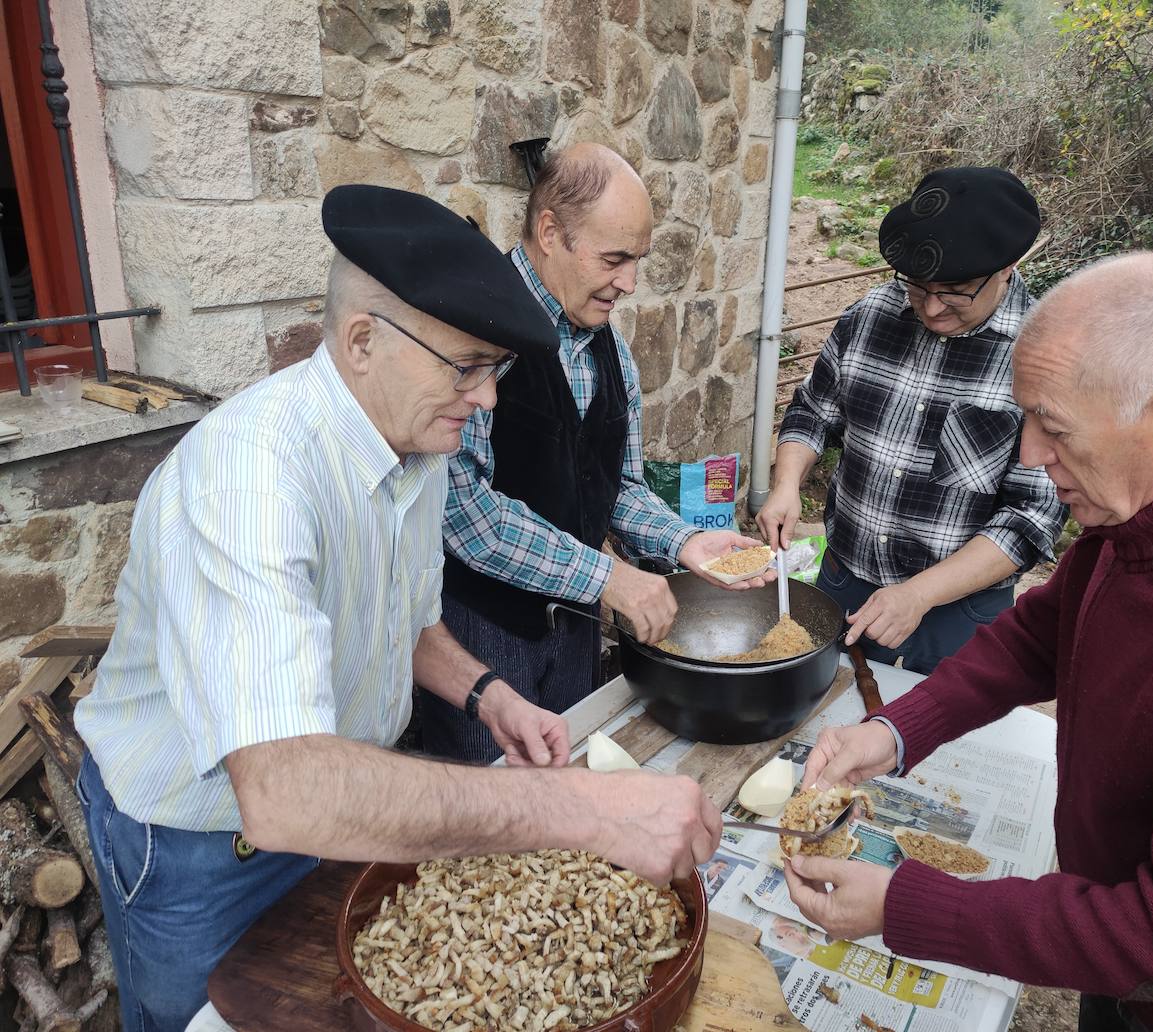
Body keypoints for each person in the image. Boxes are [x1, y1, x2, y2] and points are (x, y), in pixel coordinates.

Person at [72, 185, 723, 1032]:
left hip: (339, 811)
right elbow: (281, 788)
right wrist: (585, 810)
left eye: (496, 370)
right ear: (363, 340)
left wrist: (491, 696)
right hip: (201, 848)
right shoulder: (248, 481)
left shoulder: (413, 447)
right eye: (467, 368)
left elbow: (407, 625)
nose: (487, 399)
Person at [782, 253, 1153, 1031]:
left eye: (1053, 426)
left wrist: (913, 906)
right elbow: (1040, 634)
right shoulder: (1147, 505)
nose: (1027, 455)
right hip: (1112, 945)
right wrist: (894, 732)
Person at [426, 143, 770, 763]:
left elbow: (620, 489)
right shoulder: (474, 331)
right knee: (494, 816)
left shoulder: (612, 351)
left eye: (635, 260)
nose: (629, 284)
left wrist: (685, 542)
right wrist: (608, 576)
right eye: (614, 259)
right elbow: (464, 514)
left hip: (577, 628)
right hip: (483, 632)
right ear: (551, 232)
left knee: (571, 784)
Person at [758, 166, 1065, 674]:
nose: (933, 308)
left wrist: (918, 594)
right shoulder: (870, 316)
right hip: (842, 579)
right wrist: (787, 484)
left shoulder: (1043, 358)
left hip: (955, 610)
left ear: (1008, 266)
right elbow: (813, 411)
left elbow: (1032, 518)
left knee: (935, 744)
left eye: (956, 290)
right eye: (919, 287)